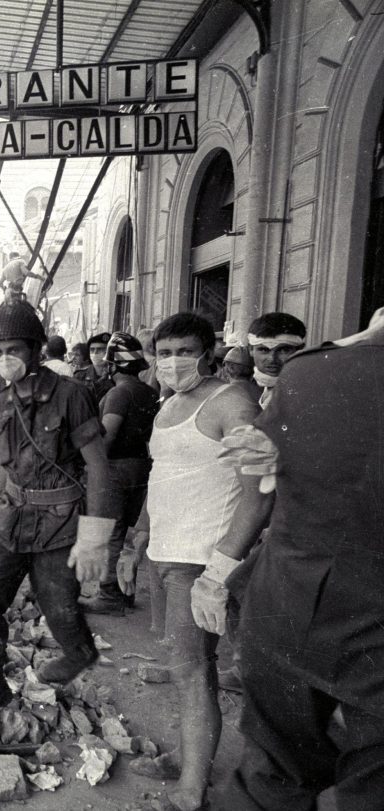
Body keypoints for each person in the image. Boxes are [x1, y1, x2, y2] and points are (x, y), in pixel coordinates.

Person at [213, 308, 384, 810]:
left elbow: (265, 466)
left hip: (286, 606)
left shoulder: (309, 371)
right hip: (372, 628)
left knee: (273, 774)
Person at [119, 313, 268, 811]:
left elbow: (259, 492)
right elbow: (162, 475)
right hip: (167, 554)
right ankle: (187, 760)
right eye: (164, 352)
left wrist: (219, 572)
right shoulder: (169, 405)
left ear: (208, 352)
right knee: (184, 666)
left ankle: (190, 791)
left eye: (185, 350)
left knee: (193, 673)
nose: (173, 361)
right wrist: (137, 538)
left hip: (201, 561)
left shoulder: (234, 401)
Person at [0, 299, 116, 733]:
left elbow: (99, 467)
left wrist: (95, 536)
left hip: (59, 524)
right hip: (8, 521)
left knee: (60, 609)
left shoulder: (71, 395)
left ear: (34, 348)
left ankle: (80, 652)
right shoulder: (2, 399)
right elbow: (0, 467)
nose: (5, 358)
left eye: (15, 348)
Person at [79, 332, 158, 615]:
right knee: (127, 533)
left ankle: (109, 595)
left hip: (114, 469)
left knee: (107, 533)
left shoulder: (118, 393)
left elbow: (108, 435)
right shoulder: (149, 392)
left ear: (113, 365)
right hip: (140, 466)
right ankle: (126, 592)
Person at [245, 312, 306, 409]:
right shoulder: (264, 386)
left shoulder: (304, 392)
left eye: (283, 350)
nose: (272, 359)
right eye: (264, 350)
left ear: (300, 350)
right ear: (251, 350)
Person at [74, 331, 115, 404]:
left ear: (109, 352)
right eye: (92, 350)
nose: (95, 353)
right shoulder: (79, 376)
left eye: (100, 349)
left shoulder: (116, 376)